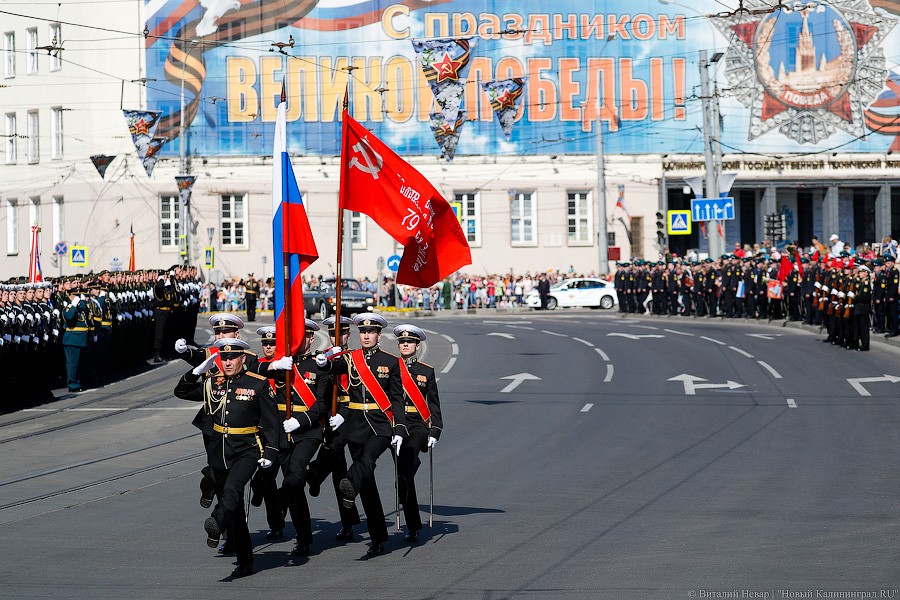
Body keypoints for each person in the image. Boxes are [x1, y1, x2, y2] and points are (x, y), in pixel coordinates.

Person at [174, 338, 281, 578]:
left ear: (243, 358)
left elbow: (272, 424)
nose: (228, 362)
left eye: (232, 358)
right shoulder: (213, 383)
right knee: (233, 505)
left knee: (233, 490)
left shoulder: (258, 384)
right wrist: (196, 371)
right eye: (224, 358)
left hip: (248, 449)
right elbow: (180, 391)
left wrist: (271, 453)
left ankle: (216, 521)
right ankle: (245, 560)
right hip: (220, 451)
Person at [311, 313, 407, 557]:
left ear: (378, 335)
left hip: (381, 425)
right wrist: (324, 362)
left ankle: (349, 483)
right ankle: (378, 538)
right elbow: (335, 366)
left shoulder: (391, 362)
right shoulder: (351, 359)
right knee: (368, 485)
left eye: (370, 332)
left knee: (367, 460)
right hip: (356, 425)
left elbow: (397, 398)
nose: (366, 335)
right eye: (362, 332)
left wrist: (400, 428)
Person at [256, 321, 328, 557]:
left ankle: (279, 502)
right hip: (281, 432)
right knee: (295, 486)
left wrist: (301, 420)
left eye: (307, 337)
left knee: (295, 475)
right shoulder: (280, 365)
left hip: (308, 432)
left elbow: (321, 405)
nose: (303, 341)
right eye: (299, 336)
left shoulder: (318, 366)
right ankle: (304, 538)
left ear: (311, 339)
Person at [306, 315, 362, 541]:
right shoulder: (323, 358)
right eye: (331, 333)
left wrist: (345, 414)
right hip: (332, 414)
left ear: (349, 334)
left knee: (357, 467)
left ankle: (315, 475)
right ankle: (348, 522)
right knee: (338, 468)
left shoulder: (356, 358)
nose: (336, 337)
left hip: (355, 414)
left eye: (341, 333)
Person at [392, 324, 443, 543]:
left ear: (417, 345)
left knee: (407, 463)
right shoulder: (391, 367)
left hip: (418, 426)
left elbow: (434, 404)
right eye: (402, 342)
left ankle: (412, 525)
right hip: (397, 424)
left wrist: (435, 430)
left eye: (409, 342)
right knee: (403, 477)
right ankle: (413, 525)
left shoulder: (426, 371)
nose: (405, 345)